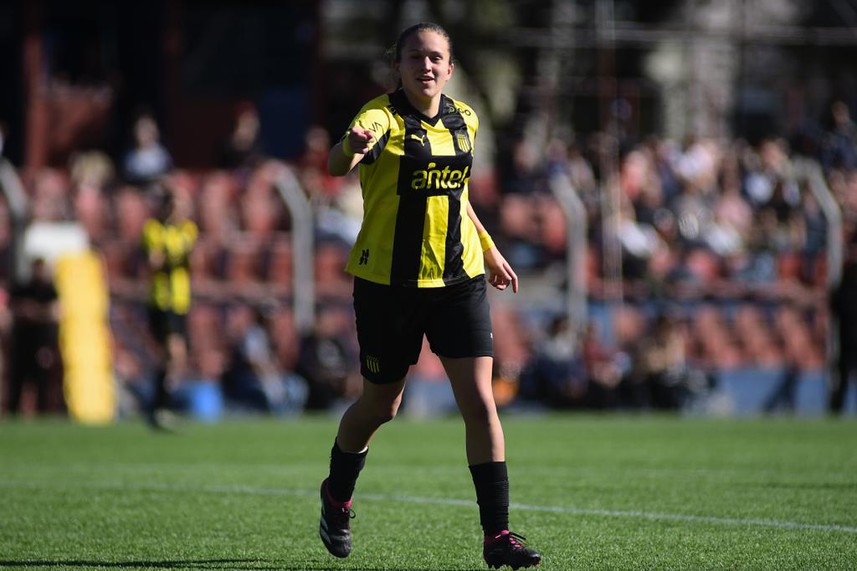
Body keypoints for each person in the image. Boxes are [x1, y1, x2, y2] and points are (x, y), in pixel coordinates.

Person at [317, 22, 541, 569]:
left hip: (457, 280)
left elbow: (457, 195)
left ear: (451, 67)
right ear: (398, 65)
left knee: (480, 400)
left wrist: (486, 247)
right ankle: (336, 494)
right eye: (415, 57)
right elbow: (336, 162)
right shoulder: (380, 116)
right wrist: (351, 148)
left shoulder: (466, 119)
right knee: (381, 404)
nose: (426, 66)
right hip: (388, 285)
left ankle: (498, 536)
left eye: (436, 58)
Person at [141, 183, 197, 429]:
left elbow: (192, 259)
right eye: (176, 205)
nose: (180, 211)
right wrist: (172, 256)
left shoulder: (188, 230)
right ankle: (161, 407)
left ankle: (159, 407)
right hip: (161, 300)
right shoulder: (153, 229)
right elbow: (154, 263)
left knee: (174, 359)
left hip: (181, 301)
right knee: (173, 354)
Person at [5, 257, 61, 415]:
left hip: (41, 344)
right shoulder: (22, 288)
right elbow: (12, 309)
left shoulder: (50, 290)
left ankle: (42, 414)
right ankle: (13, 413)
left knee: (42, 382)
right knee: (17, 381)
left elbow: (56, 312)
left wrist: (34, 311)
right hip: (22, 343)